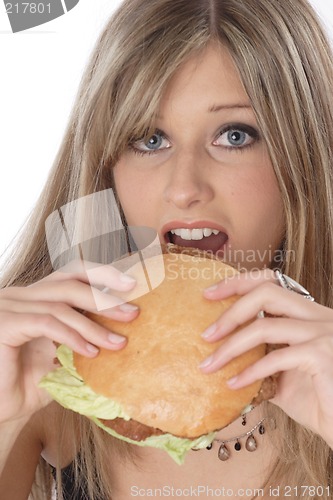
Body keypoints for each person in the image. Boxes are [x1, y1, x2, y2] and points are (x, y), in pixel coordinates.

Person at [1, 0, 333, 498]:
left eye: (234, 135)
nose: (184, 188)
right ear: (105, 169)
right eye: (150, 139)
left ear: (304, 157)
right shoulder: (34, 366)